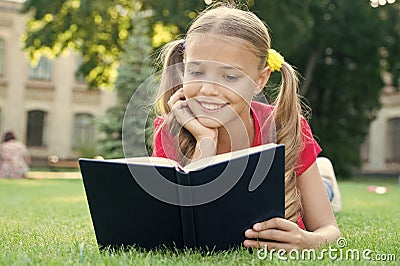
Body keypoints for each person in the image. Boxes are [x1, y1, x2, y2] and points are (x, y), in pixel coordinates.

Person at [151, 3, 341, 250]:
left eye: (229, 77)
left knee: (322, 193)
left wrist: (306, 240)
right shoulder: (169, 130)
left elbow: (330, 231)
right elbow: (183, 223)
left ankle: (324, 175)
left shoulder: (285, 127)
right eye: (197, 72)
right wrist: (205, 140)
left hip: (297, 182)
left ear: (259, 80)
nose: (208, 89)